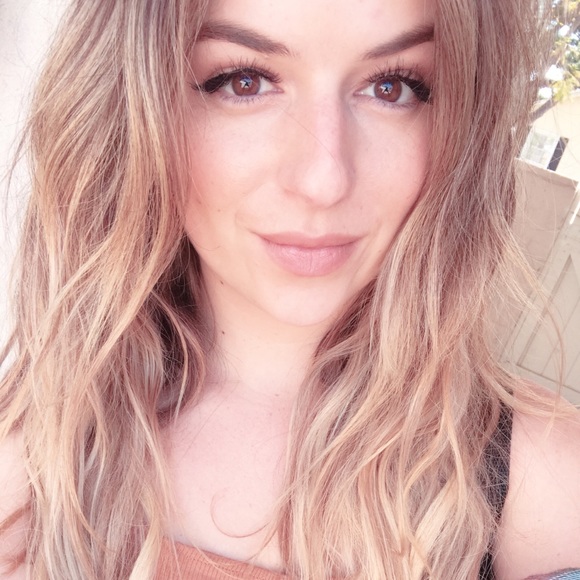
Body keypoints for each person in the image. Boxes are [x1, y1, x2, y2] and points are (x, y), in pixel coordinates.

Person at [1, 0, 579, 578]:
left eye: (393, 88)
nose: (323, 180)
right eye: (244, 82)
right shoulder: (33, 447)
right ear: (133, 107)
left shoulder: (547, 489)